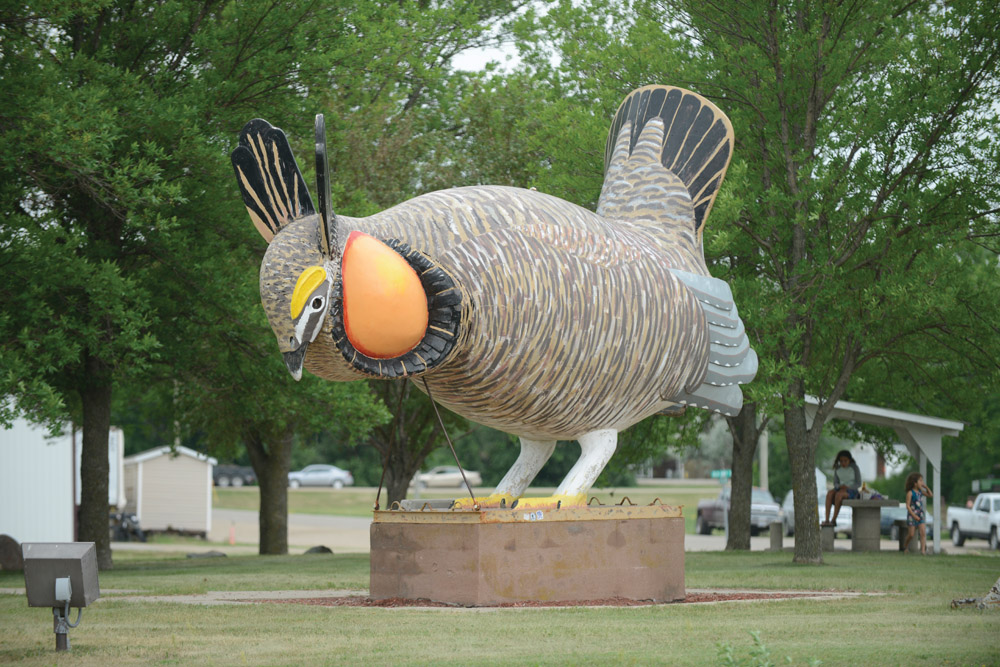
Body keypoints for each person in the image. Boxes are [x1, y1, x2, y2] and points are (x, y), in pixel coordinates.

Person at [822, 450, 861, 526]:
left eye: (845, 461)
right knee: (829, 494)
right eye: (841, 461)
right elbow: (835, 482)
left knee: (839, 495)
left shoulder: (854, 468)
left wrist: (848, 487)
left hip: (851, 490)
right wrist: (839, 487)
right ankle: (827, 520)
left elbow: (858, 483)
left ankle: (833, 520)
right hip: (839, 488)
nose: (843, 463)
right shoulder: (838, 469)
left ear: (849, 460)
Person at [902, 472, 933, 554]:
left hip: (920, 514)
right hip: (912, 515)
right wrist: (914, 515)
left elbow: (930, 495)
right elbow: (908, 506)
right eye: (920, 480)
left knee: (923, 533)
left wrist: (925, 487)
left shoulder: (921, 491)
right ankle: (905, 546)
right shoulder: (910, 493)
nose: (922, 482)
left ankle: (923, 551)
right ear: (915, 483)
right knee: (911, 534)